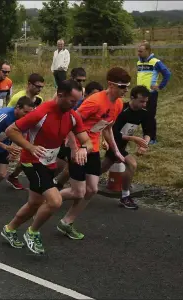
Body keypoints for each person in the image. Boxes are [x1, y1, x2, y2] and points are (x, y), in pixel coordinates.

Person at [0, 79, 90, 255]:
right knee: (55, 201)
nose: (75, 104)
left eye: (78, 101)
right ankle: (32, 232)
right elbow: (12, 130)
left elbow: (86, 140)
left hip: (49, 162)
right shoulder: (42, 112)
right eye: (73, 101)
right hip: (32, 161)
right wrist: (30, 147)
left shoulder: (72, 115)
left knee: (34, 203)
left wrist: (83, 149)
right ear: (61, 95)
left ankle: (9, 229)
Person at [57, 68, 130, 241]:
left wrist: (116, 151)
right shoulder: (95, 102)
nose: (125, 90)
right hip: (78, 147)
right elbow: (70, 121)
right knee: (78, 192)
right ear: (111, 85)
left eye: (127, 87)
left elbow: (107, 128)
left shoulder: (118, 104)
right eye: (122, 86)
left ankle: (66, 222)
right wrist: (75, 148)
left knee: (92, 190)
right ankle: (49, 199)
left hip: (93, 149)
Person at [100, 85, 153, 209]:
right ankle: (125, 196)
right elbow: (113, 132)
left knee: (102, 167)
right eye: (141, 101)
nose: (144, 104)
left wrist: (144, 144)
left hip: (121, 144)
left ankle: (81, 179)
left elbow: (149, 131)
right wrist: (133, 139)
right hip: (113, 142)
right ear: (132, 98)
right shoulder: (121, 109)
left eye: (146, 102)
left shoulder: (144, 112)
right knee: (131, 164)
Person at [53, 81, 104, 190]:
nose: (96, 98)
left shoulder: (97, 106)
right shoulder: (77, 105)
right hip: (68, 139)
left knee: (69, 168)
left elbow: (103, 123)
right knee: (59, 166)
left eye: (99, 95)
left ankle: (57, 187)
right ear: (85, 95)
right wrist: (73, 146)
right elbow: (70, 124)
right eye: (94, 95)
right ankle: (45, 185)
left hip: (82, 141)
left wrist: (104, 140)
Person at [3, 73, 45, 190]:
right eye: (37, 86)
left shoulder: (39, 100)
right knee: (6, 154)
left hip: (28, 131)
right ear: (29, 84)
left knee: (29, 154)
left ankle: (13, 176)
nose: (39, 89)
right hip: (13, 129)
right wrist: (12, 140)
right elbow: (9, 113)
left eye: (41, 87)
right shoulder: (18, 97)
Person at [136, 41, 171, 145]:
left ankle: (152, 138)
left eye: (141, 51)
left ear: (148, 51)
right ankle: (145, 136)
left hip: (151, 94)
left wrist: (160, 86)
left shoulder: (155, 62)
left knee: (150, 116)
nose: (139, 53)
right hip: (140, 94)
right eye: (138, 51)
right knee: (142, 116)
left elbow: (167, 73)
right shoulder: (139, 62)